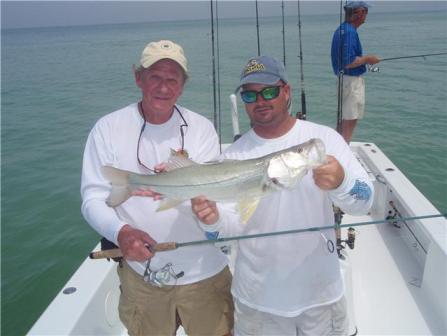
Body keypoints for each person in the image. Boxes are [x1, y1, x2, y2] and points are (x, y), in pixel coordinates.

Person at [191, 55, 374, 335]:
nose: (260, 100)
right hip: (258, 302)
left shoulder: (322, 140)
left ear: (286, 91)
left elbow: (365, 201)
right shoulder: (230, 159)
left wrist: (342, 182)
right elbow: (224, 238)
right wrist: (211, 220)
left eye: (269, 91)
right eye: (250, 95)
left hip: (320, 297)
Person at [81, 40, 233, 336]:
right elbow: (92, 198)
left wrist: (192, 190)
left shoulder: (201, 128)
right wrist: (120, 233)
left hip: (205, 271)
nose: (164, 87)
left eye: (172, 79)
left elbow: (209, 191)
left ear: (183, 85)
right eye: (155, 77)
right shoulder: (107, 128)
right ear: (139, 78)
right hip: (142, 275)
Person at [331, 1, 381, 143]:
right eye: (365, 11)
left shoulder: (343, 29)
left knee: (347, 118)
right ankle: (343, 152)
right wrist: (368, 59)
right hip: (350, 81)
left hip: (345, 80)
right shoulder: (349, 32)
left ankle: (336, 146)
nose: (366, 15)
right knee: (350, 119)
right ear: (358, 13)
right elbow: (349, 61)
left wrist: (365, 60)